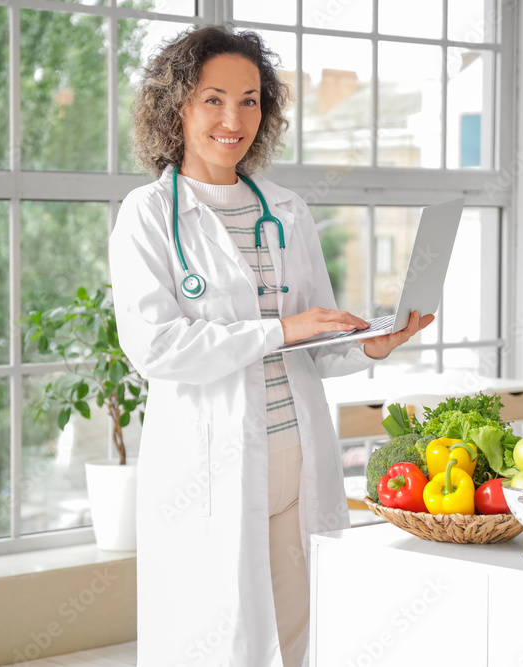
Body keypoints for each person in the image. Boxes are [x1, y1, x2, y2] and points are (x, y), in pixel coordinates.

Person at [109, 25, 434, 667]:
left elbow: (314, 342)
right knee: (217, 639)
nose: (234, 119)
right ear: (176, 105)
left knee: (298, 631)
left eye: (251, 100)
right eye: (214, 99)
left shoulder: (285, 210)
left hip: (296, 456)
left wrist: (370, 344)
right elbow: (158, 348)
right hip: (213, 466)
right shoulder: (147, 215)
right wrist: (280, 330)